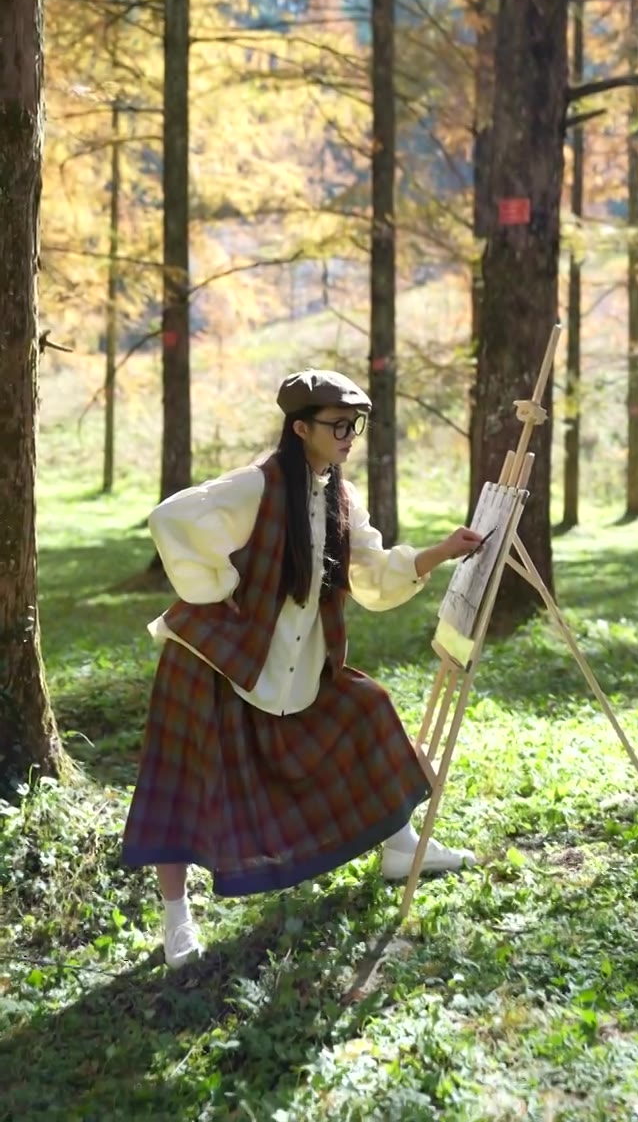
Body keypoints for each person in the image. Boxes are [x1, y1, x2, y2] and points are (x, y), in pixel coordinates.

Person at [123, 369, 482, 968]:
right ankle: (176, 918)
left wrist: (439, 553)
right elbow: (171, 520)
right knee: (184, 781)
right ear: (300, 428)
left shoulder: (340, 496)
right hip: (211, 657)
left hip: (291, 662)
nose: (350, 436)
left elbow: (369, 570)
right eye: (339, 425)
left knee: (365, 707)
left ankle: (399, 845)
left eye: (355, 425)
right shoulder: (254, 486)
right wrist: (225, 587)